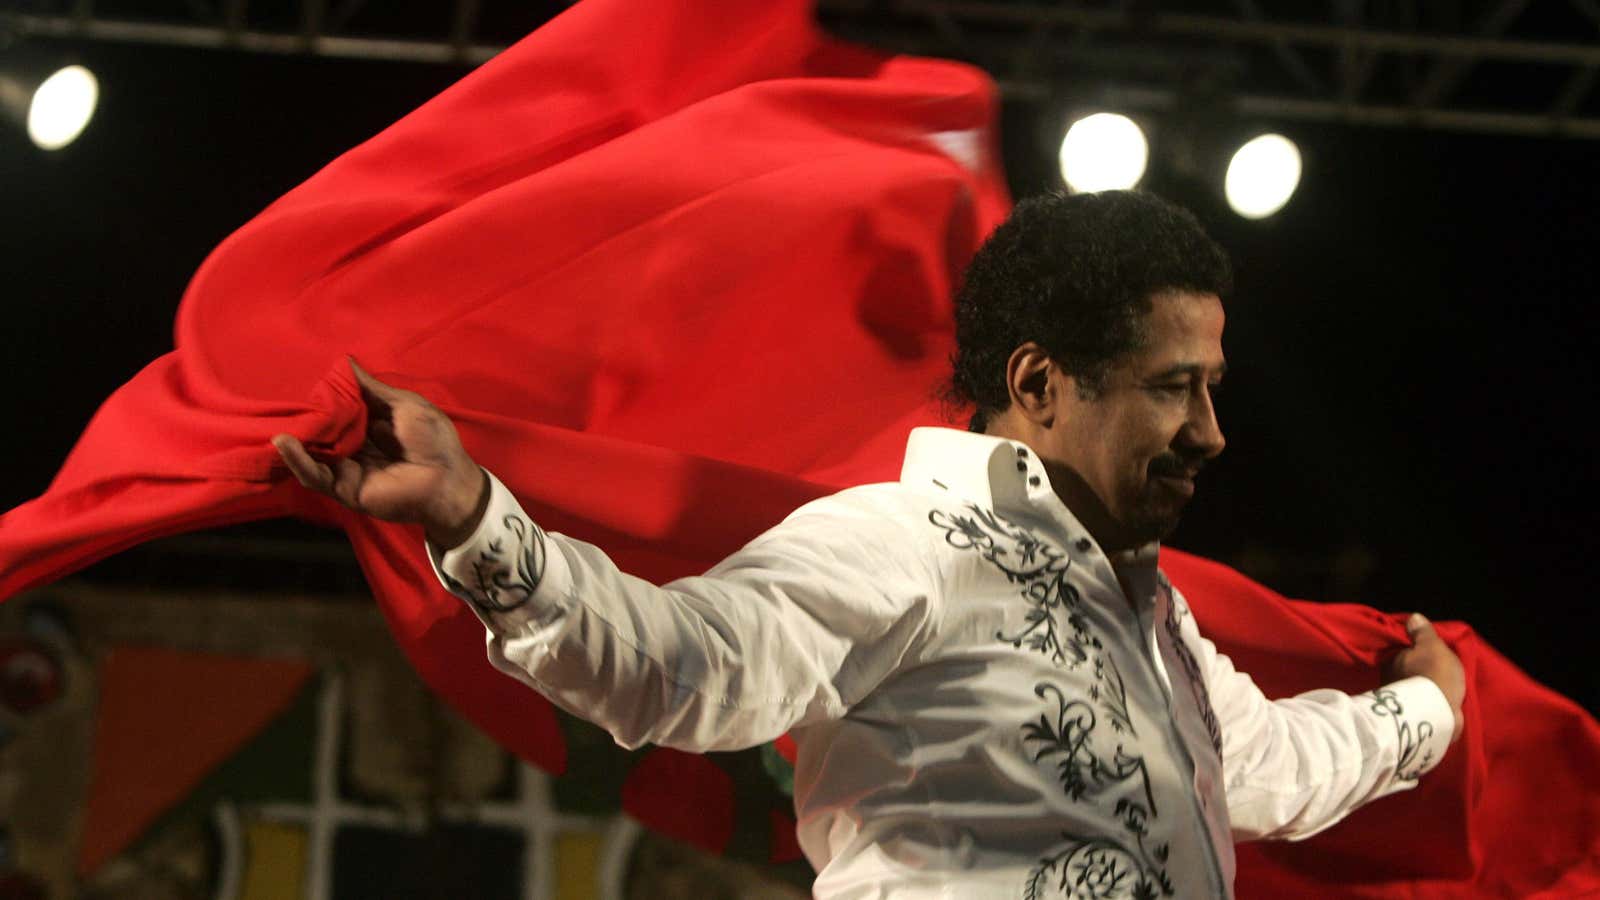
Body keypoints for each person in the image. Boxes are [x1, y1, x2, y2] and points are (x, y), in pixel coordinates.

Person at [272, 190, 1465, 899]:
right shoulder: (902, 545)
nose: (1210, 432)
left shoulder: (1150, 622)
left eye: (1211, 388)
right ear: (1041, 385)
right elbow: (681, 660)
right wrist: (476, 518)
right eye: (1174, 389)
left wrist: (1428, 713)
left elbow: (1266, 770)